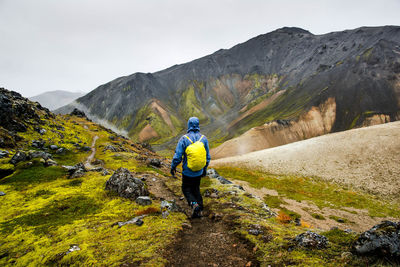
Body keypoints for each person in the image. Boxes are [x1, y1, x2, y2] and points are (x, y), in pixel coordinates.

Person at [170, 117, 211, 218]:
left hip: (188, 172)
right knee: (196, 188)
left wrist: (173, 167)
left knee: (186, 189)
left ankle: (194, 204)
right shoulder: (204, 139)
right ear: (198, 125)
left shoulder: (184, 139)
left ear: (188, 125)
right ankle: (200, 208)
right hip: (199, 171)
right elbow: (207, 157)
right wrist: (204, 170)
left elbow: (178, 157)